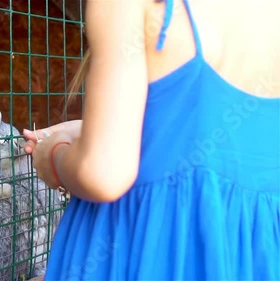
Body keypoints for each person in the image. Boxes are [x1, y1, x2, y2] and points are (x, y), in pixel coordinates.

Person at [22, 0, 280, 280]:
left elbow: (104, 175)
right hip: (251, 250)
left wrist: (54, 154)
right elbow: (225, 140)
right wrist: (92, 130)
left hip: (147, 241)